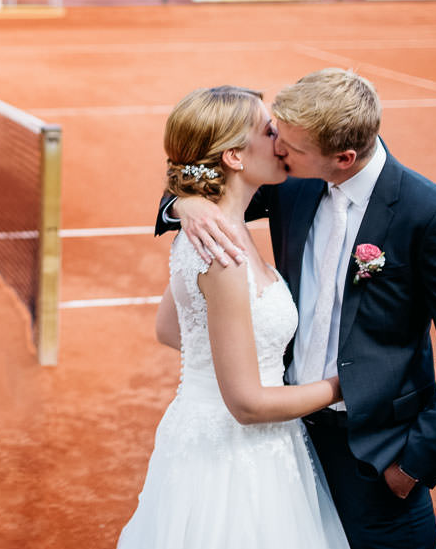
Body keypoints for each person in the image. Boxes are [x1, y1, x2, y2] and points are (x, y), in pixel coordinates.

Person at [156, 68, 436, 549]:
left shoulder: (428, 215)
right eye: (273, 133)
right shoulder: (290, 181)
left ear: (342, 157)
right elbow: (208, 172)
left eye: (289, 145)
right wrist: (183, 204)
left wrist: (414, 464)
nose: (277, 147)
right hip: (287, 438)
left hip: (376, 453)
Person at [119, 85, 349, 549]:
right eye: (268, 130)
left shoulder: (211, 231)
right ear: (234, 158)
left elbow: (170, 327)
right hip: (236, 458)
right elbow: (246, 404)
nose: (280, 138)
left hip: (210, 440)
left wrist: (233, 353)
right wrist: (345, 384)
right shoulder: (222, 250)